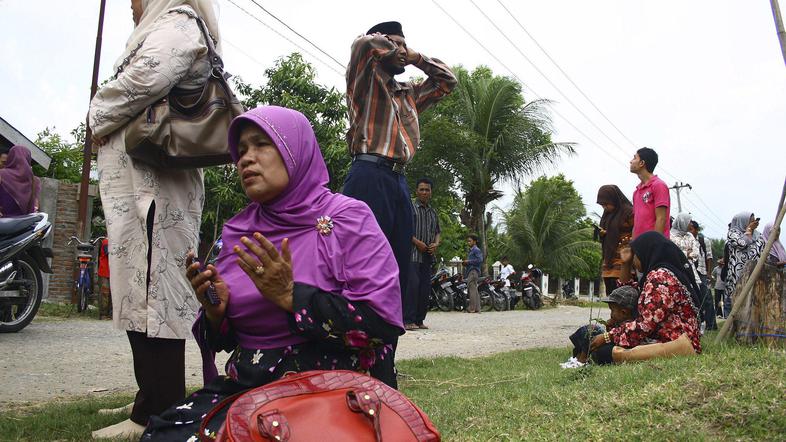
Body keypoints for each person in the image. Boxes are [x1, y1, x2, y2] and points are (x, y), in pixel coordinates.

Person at [142, 106, 405, 440]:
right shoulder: (238, 232)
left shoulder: (348, 218)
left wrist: (291, 296)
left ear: (295, 150)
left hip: (332, 388)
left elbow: (381, 325)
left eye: (261, 144)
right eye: (241, 151)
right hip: (249, 387)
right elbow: (225, 341)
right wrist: (216, 312)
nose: (246, 159)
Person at [87, 1, 222, 438]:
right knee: (140, 292)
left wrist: (96, 112)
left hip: (156, 193)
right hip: (145, 190)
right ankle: (151, 395)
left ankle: (159, 409)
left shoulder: (178, 23)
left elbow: (147, 76)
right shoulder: (167, 25)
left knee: (155, 294)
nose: (131, 5)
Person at [343, 20, 457, 306]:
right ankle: (354, 320)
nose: (401, 50)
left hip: (398, 179)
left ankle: (389, 325)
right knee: (362, 256)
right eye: (394, 43)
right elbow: (362, 45)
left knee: (396, 261)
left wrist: (417, 58)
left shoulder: (409, 94)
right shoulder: (363, 79)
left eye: (405, 44)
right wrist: (391, 47)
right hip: (368, 174)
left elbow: (447, 82)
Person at [589, 232, 702, 364]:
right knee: (599, 342)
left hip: (674, 343)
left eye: (635, 255)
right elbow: (627, 293)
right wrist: (625, 263)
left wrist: (608, 337)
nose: (634, 260)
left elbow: (645, 325)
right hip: (673, 338)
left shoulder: (660, 277)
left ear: (646, 253)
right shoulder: (662, 273)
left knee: (602, 352)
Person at [562, 285, 638, 368]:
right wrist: (610, 326)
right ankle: (578, 357)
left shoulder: (630, 326)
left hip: (615, 349)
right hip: (610, 346)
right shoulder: (619, 321)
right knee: (588, 331)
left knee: (593, 331)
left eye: (612, 310)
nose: (611, 314)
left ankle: (582, 360)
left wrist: (609, 333)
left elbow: (618, 341)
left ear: (623, 312)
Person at [405, 177, 440, 330]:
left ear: (431, 192)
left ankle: (419, 320)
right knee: (412, 287)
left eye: (427, 190)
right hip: (412, 255)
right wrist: (416, 242)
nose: (424, 192)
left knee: (425, 289)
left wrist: (436, 244)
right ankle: (408, 320)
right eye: (422, 189)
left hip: (427, 256)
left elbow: (438, 232)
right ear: (417, 191)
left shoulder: (433, 212)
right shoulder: (410, 208)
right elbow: (404, 228)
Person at [595, 184, 634, 295]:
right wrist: (603, 233)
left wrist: (629, 240)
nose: (604, 207)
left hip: (624, 257)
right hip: (609, 260)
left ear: (614, 200)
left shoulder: (629, 212)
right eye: (602, 205)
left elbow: (637, 230)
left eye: (606, 204)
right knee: (611, 295)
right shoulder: (607, 215)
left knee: (623, 294)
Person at [629, 147, 670, 239]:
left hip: (655, 245)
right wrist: (634, 245)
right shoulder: (636, 192)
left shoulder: (659, 185)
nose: (630, 161)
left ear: (642, 163)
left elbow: (661, 219)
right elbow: (636, 223)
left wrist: (655, 244)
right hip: (640, 245)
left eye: (634, 158)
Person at [724, 212, 765, 300]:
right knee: (735, 300)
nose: (754, 223)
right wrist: (749, 230)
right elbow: (742, 244)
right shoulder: (733, 233)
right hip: (738, 274)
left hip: (754, 274)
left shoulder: (759, 236)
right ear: (743, 222)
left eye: (754, 221)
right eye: (751, 221)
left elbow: (763, 251)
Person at [688, 220, 716, 330]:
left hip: (702, 271)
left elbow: (709, 257)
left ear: (696, 230)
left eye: (691, 229)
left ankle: (711, 324)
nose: (689, 232)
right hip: (691, 271)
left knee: (707, 297)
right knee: (693, 297)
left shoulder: (704, 241)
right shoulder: (687, 240)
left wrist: (709, 273)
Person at [0, 145, 40, 218]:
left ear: (10, 158)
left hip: (4, 221)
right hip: (25, 222)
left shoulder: (2, 174)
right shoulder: (34, 180)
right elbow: (35, 205)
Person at [463, 234, 483, 313]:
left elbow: (480, 260)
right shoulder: (471, 250)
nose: (468, 242)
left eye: (470, 241)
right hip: (471, 271)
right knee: (474, 289)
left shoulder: (476, 250)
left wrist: (468, 261)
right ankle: (477, 308)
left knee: (472, 289)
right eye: (468, 241)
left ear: (474, 242)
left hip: (473, 271)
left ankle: (472, 308)